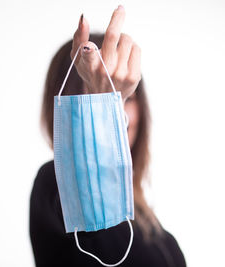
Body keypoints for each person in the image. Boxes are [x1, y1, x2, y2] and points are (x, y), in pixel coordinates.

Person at [30, 5, 186, 267]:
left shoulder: (143, 213)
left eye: (127, 98)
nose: (119, 115)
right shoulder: (56, 184)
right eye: (89, 99)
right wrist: (100, 108)